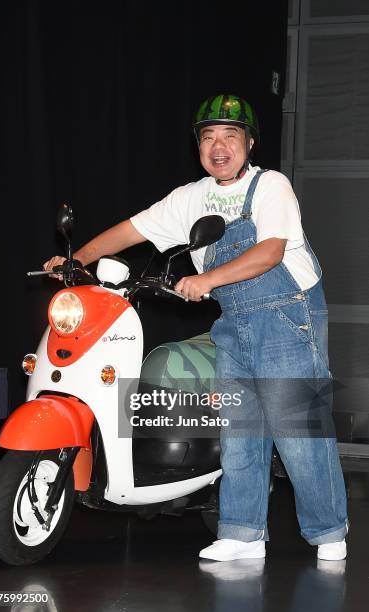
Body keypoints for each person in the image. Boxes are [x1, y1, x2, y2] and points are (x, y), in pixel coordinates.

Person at [44, 94, 349, 562]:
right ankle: (243, 532)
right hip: (235, 320)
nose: (219, 146)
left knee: (298, 430)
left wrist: (206, 279)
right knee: (239, 430)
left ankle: (328, 531)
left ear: (249, 143)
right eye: (209, 137)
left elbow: (269, 252)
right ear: (199, 147)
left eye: (230, 135)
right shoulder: (191, 198)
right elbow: (130, 231)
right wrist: (75, 260)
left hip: (289, 314)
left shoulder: (271, 187)